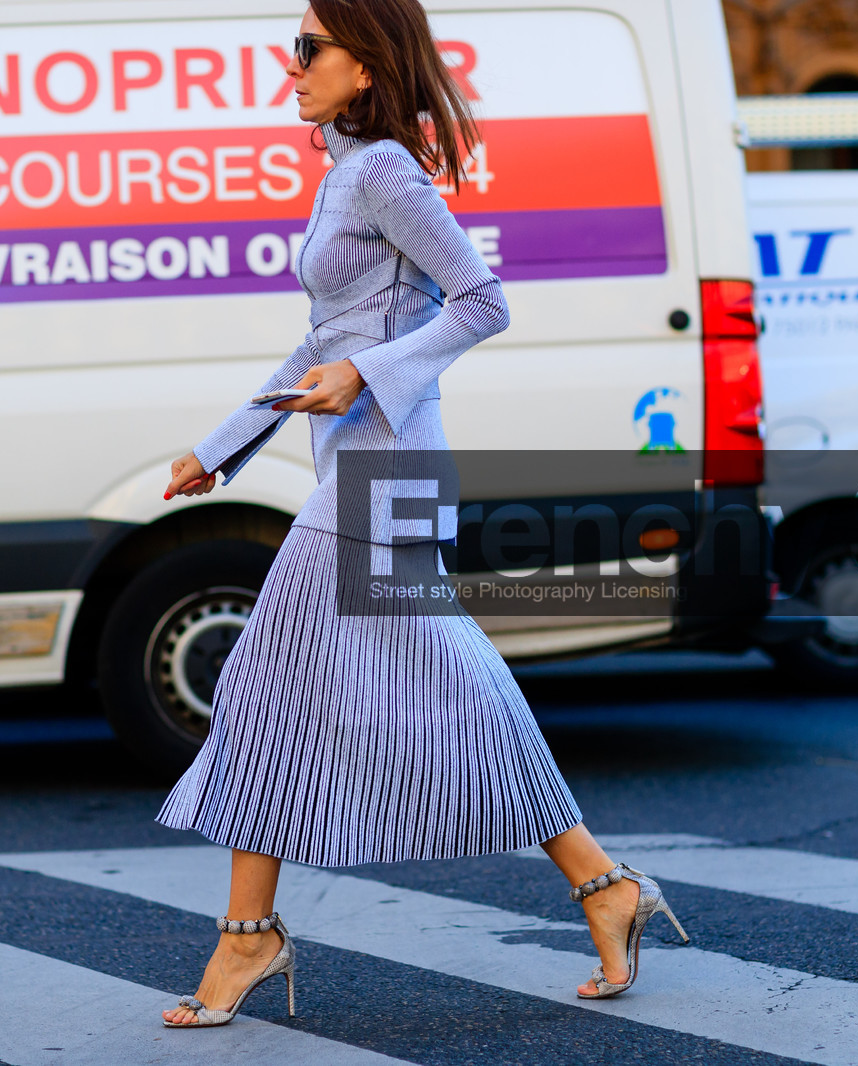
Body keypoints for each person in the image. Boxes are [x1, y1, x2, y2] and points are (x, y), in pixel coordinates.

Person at [155, 0, 687, 1029]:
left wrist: (366, 370)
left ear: (365, 63)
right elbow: (322, 339)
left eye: (310, 48)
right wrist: (221, 445)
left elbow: (483, 302)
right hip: (360, 469)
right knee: (431, 682)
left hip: (384, 469)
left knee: (271, 681)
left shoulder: (388, 172)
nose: (291, 65)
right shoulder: (343, 168)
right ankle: (599, 882)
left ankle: (248, 938)